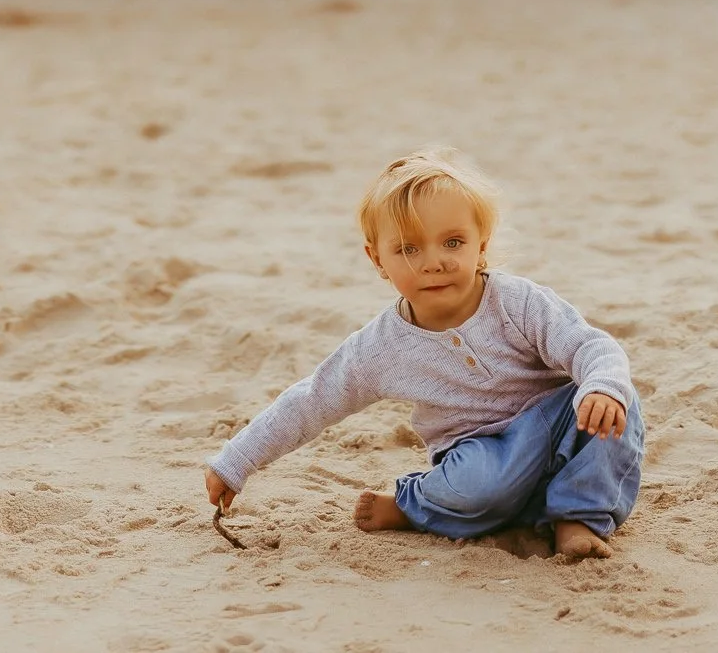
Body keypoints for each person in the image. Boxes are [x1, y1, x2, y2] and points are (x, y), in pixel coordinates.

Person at [203, 147, 643, 560]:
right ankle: (410, 505)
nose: (433, 262)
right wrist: (237, 461)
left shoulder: (520, 303)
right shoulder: (381, 347)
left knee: (615, 405)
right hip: (478, 453)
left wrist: (602, 387)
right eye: (409, 249)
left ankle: (576, 518)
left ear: (482, 244)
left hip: (557, 420)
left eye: (452, 242)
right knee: (477, 487)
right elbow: (313, 399)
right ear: (378, 260)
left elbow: (591, 345)